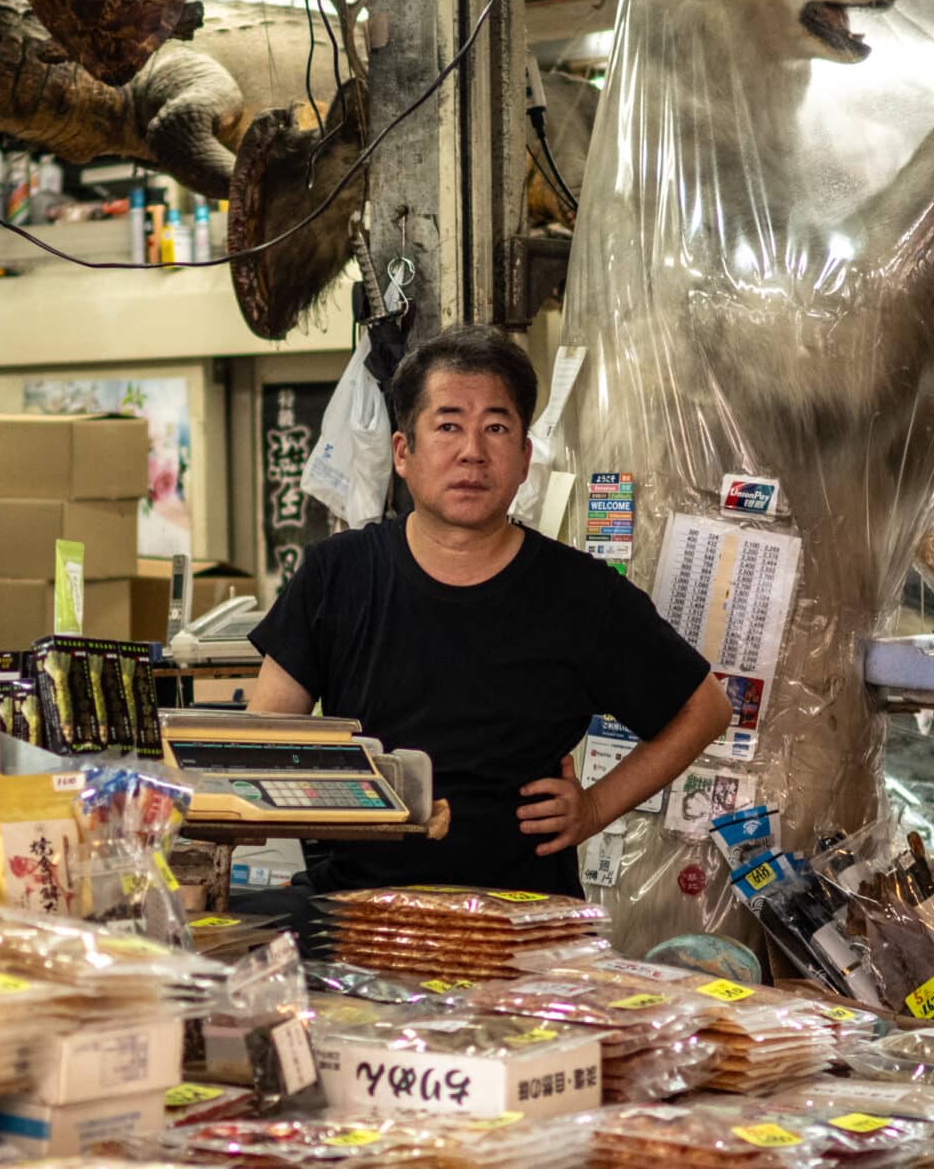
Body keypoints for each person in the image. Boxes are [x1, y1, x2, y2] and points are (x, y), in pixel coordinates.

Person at [246, 324, 731, 898]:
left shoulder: (581, 594)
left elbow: (705, 709)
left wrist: (595, 806)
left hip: (523, 919)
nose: (472, 451)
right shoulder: (338, 574)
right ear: (404, 452)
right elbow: (264, 743)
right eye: (448, 425)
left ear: (525, 458)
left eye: (496, 428)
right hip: (359, 906)